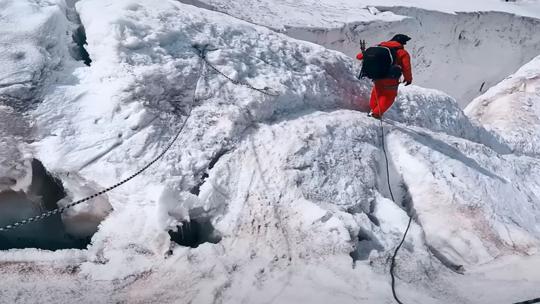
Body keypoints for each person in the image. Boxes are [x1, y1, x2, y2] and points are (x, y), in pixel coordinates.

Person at [356, 34, 413, 119]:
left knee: (377, 91)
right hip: (391, 78)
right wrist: (408, 79)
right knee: (388, 96)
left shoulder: (378, 47)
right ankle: (375, 114)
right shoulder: (402, 52)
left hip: (377, 76)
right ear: (402, 43)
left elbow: (359, 56)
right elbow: (406, 67)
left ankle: (373, 109)